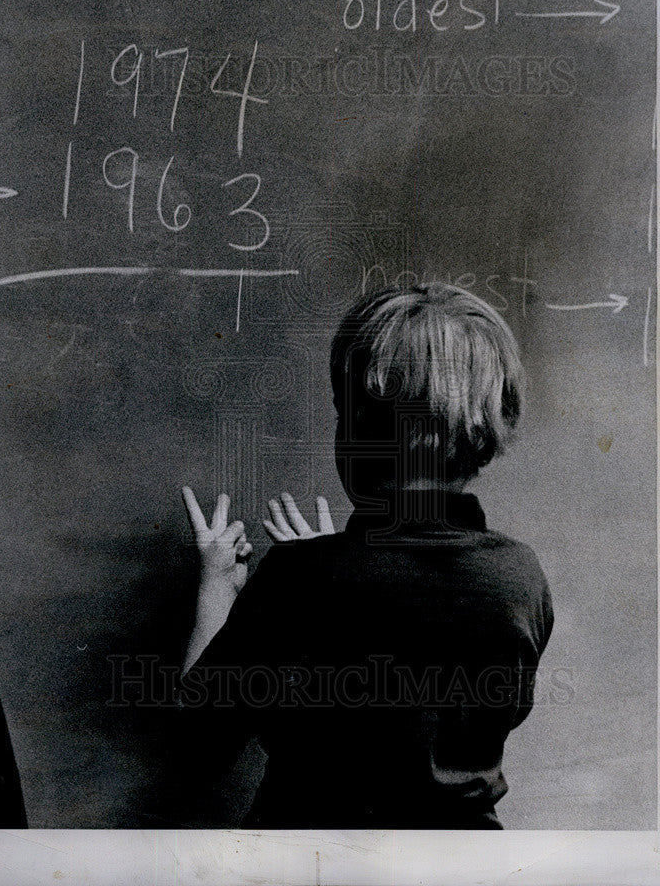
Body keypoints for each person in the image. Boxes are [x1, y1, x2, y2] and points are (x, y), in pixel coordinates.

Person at [177, 283, 553, 829]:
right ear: (482, 430)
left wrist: (219, 590)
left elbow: (199, 746)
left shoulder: (300, 578)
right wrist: (337, 569)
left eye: (341, 412)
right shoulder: (522, 577)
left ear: (359, 433)